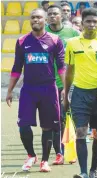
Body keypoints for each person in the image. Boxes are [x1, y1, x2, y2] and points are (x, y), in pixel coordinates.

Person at [6, 8, 65, 172]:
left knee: (48, 126)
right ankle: (31, 155)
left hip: (49, 88)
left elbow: (61, 67)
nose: (35, 20)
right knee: (23, 125)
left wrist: (65, 89)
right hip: (29, 89)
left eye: (39, 17)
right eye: (33, 18)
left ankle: (44, 161)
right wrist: (9, 90)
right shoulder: (22, 41)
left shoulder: (55, 40)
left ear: (45, 20)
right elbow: (16, 68)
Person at [63, 8, 97, 178]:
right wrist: (66, 95)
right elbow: (69, 70)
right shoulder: (72, 43)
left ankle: (94, 169)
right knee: (80, 131)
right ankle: (84, 172)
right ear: (82, 23)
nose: (92, 25)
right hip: (79, 93)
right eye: (88, 21)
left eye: (95, 21)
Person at [45, 4, 80, 165]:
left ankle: (71, 151)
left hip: (69, 82)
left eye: (55, 14)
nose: (52, 16)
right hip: (48, 82)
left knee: (68, 116)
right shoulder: (42, 32)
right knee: (54, 120)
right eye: (50, 14)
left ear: (62, 16)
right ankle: (59, 153)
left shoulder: (72, 32)